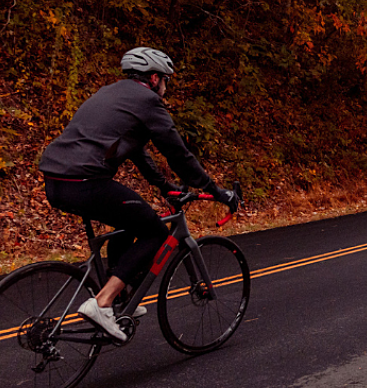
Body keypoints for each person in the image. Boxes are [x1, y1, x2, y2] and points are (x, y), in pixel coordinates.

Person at [39, 47, 238, 342]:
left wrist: (164, 186)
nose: (165, 88)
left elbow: (136, 150)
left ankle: (122, 294)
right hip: (85, 181)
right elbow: (178, 154)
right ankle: (103, 301)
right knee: (155, 232)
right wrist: (215, 190)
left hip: (56, 181)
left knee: (128, 219)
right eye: (165, 81)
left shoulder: (111, 93)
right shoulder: (148, 101)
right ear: (154, 78)